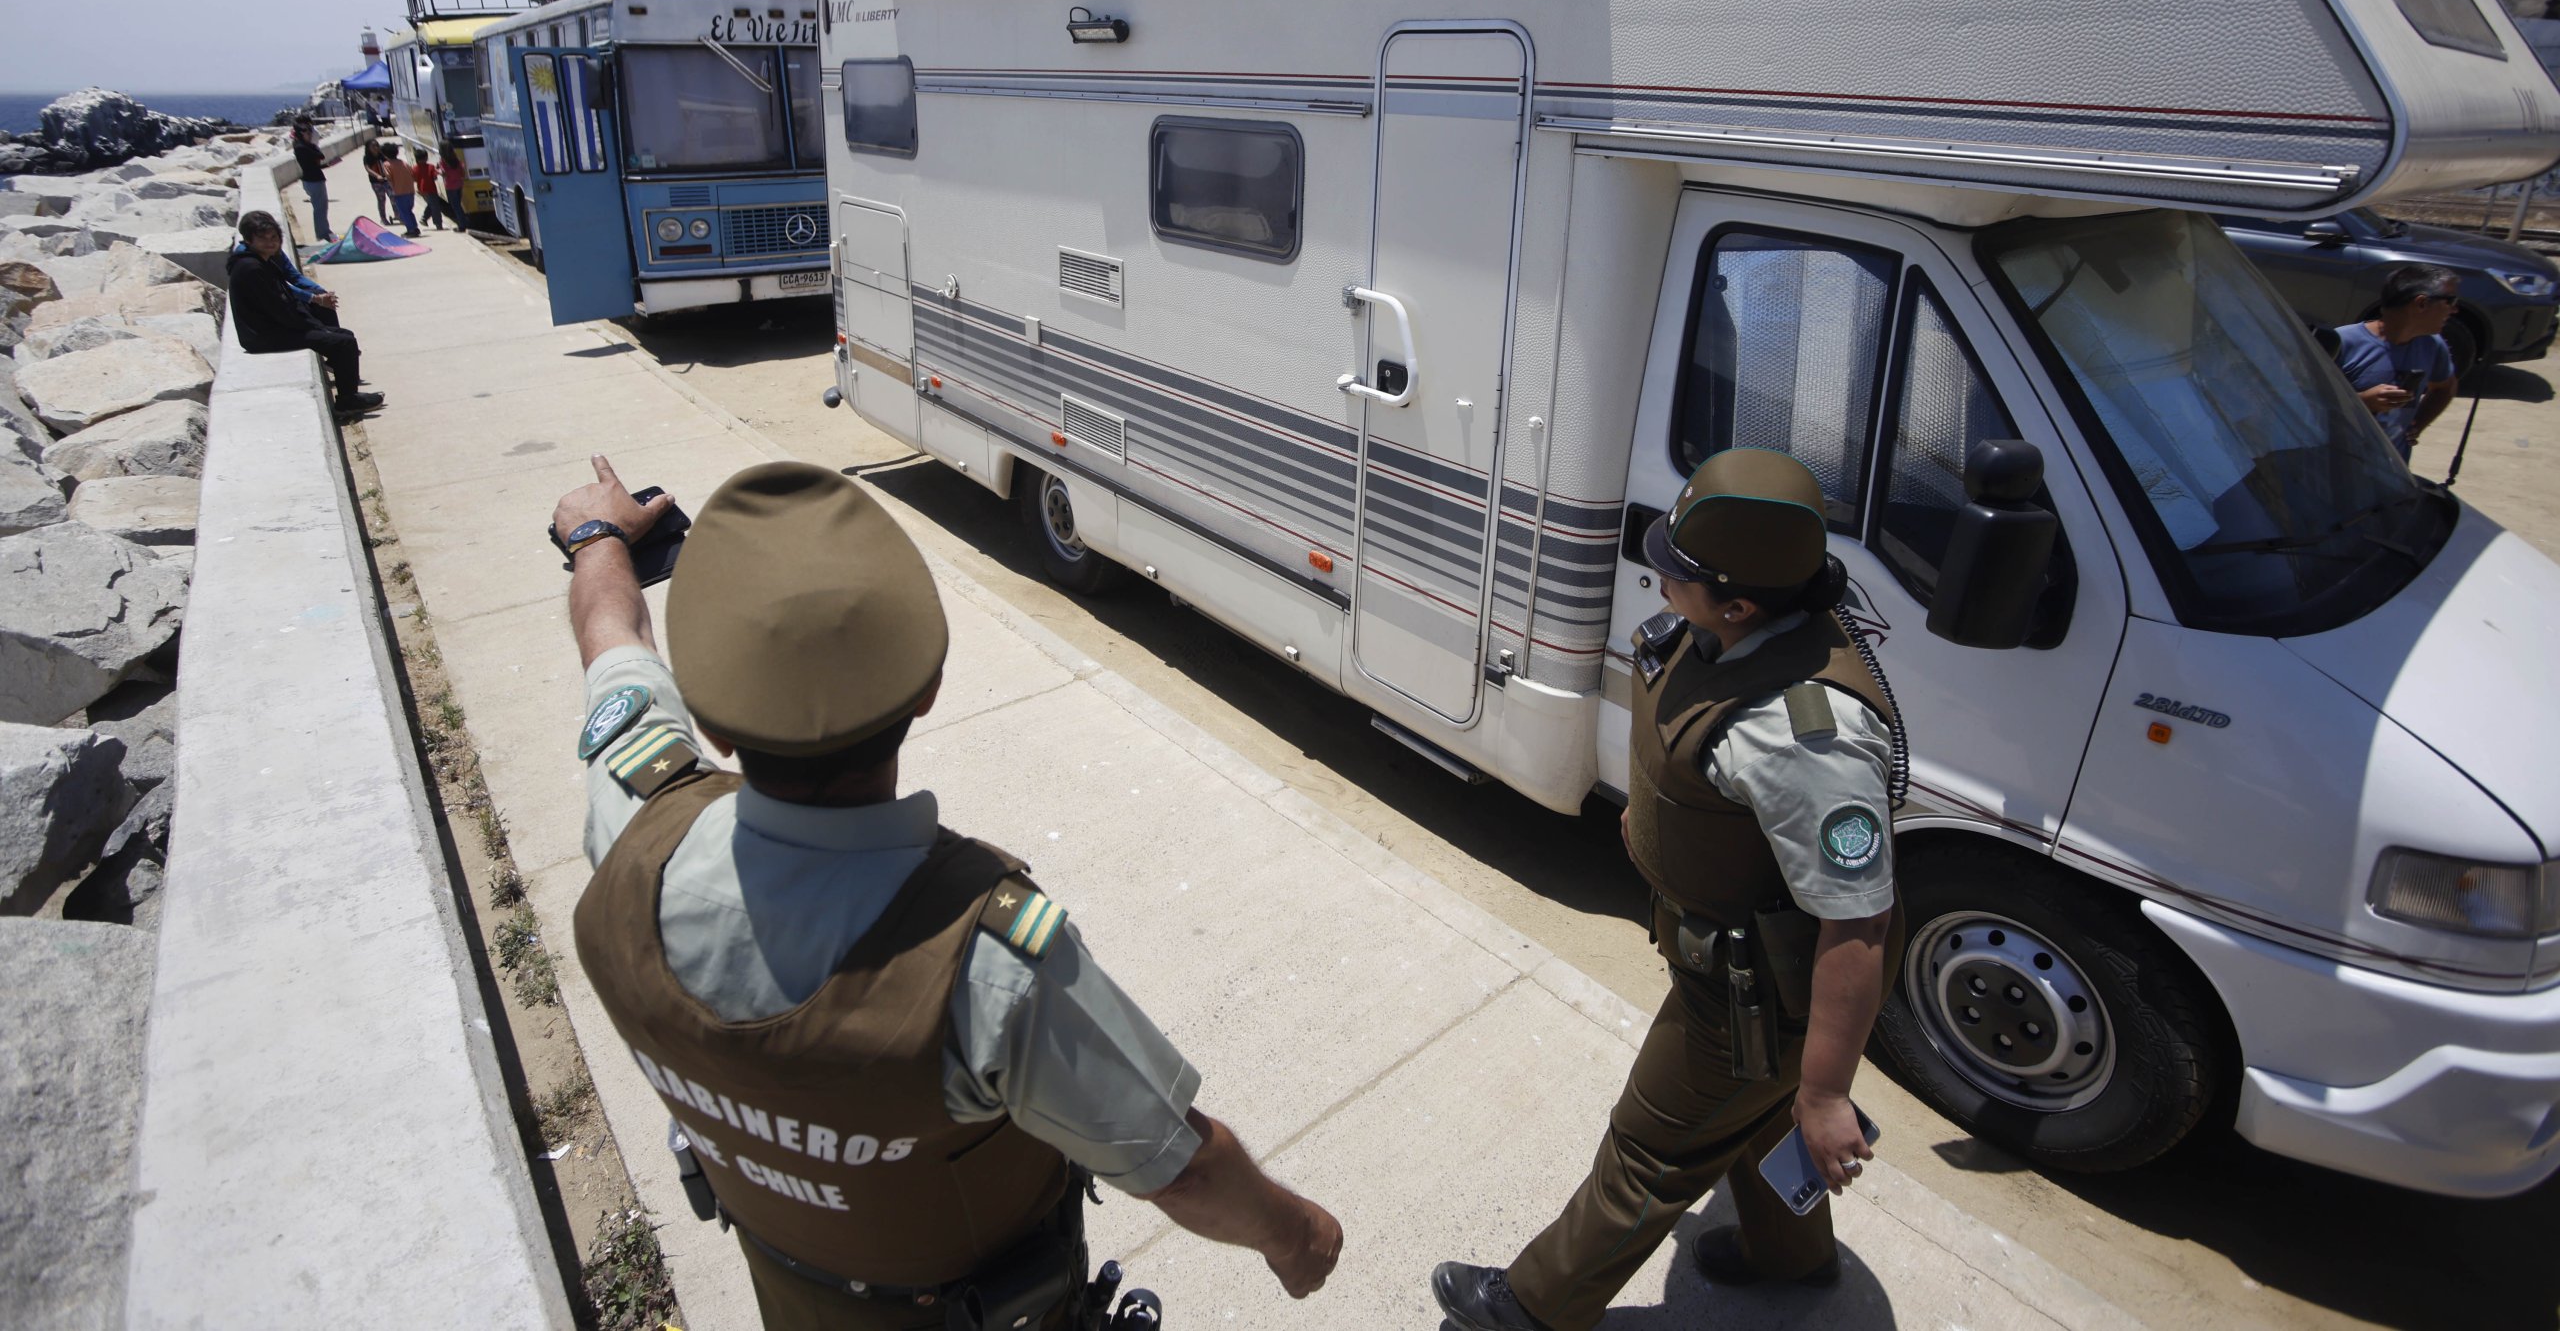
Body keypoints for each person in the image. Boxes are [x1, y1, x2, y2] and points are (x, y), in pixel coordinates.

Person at [556, 457, 1342, 1329]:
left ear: (709, 723)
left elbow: (611, 637)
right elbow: (1181, 1168)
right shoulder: (986, 967)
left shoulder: (632, 821)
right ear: (928, 689)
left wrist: (597, 536)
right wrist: (1299, 1237)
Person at [1433, 449, 1903, 1331]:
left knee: (1651, 1147)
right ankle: (1792, 1257)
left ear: (1740, 604)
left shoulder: (1808, 740)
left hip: (1755, 997)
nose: (1659, 580)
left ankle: (1529, 1310)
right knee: (1751, 1116)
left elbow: (1860, 925)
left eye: (1677, 573)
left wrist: (1828, 1092)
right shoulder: (1733, 630)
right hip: (1727, 959)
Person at [227, 211, 379, 416]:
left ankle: (349, 391)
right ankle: (347, 401)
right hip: (262, 336)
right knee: (343, 342)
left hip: (270, 328)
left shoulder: (261, 260)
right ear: (249, 240)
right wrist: (317, 327)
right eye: (263, 239)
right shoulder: (252, 268)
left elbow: (287, 292)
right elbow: (279, 308)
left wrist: (317, 315)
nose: (270, 243)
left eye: (273, 237)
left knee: (344, 335)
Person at [2334, 263, 2460, 460]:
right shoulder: (2342, 342)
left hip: (2391, 469)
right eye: (2450, 301)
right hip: (2337, 463)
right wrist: (2363, 401)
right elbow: (2305, 401)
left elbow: (2444, 388)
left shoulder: (2433, 345)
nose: (2455, 310)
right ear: (2421, 303)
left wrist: (2418, 424)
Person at [290, 118, 333, 242]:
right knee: (319, 208)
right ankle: (322, 234)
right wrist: (313, 147)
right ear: (299, 133)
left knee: (322, 207)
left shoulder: (306, 146)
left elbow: (318, 157)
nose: (309, 134)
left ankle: (324, 231)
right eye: (306, 132)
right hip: (313, 181)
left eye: (310, 131)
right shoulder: (301, 147)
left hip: (315, 178)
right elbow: (319, 155)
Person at [385, 148, 418, 236]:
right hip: (410, 191)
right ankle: (415, 228)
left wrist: (392, 189)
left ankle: (411, 230)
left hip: (399, 192)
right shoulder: (404, 163)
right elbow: (412, 173)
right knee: (409, 211)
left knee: (404, 212)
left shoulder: (387, 164)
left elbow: (388, 177)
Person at [363, 142, 394, 225]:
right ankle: (383, 218)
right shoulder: (367, 157)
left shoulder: (382, 155)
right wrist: (377, 176)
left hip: (386, 180)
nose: (376, 147)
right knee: (381, 200)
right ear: (368, 148)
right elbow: (368, 169)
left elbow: (389, 162)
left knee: (393, 196)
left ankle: (397, 215)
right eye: (373, 146)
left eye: (377, 145)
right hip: (376, 182)